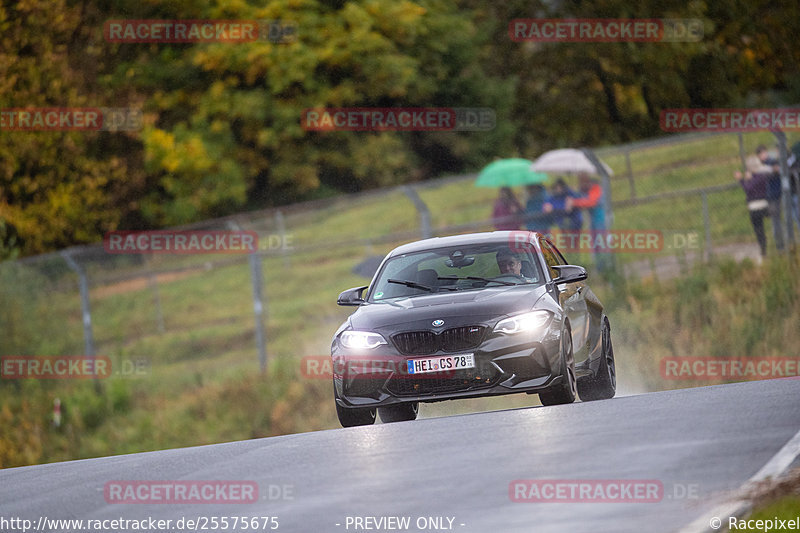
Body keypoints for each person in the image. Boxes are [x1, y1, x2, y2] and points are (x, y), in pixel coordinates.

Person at [566, 173, 611, 271]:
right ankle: (601, 268)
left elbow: (591, 202)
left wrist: (574, 202)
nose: (581, 184)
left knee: (602, 244)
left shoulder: (596, 188)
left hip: (601, 220)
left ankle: (608, 267)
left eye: (583, 181)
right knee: (595, 247)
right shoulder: (584, 191)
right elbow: (578, 198)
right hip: (592, 222)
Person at [735, 155, 773, 259]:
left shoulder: (758, 177)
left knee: (759, 229)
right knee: (760, 228)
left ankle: (763, 249)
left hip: (756, 206)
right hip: (763, 204)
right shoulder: (761, 175)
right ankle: (764, 248)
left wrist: (742, 180)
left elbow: (748, 189)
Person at [756, 145, 785, 252]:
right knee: (775, 221)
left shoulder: (772, 161)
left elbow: (777, 170)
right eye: (761, 154)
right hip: (769, 197)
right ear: (759, 156)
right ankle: (779, 246)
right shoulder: (759, 166)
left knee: (781, 219)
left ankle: (785, 243)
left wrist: (773, 170)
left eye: (765, 153)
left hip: (778, 193)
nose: (764, 155)